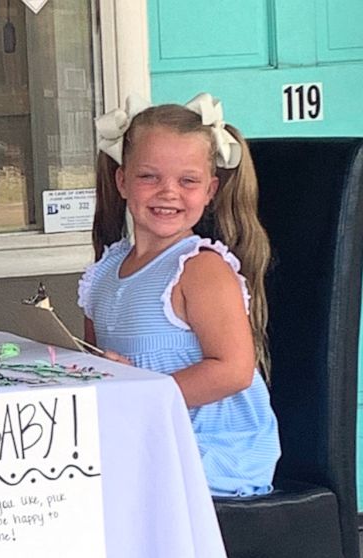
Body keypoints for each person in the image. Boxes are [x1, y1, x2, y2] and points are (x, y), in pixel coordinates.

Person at [78, 93, 280, 496]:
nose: (168, 192)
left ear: (210, 190)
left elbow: (233, 370)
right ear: (122, 181)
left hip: (212, 451)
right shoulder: (103, 273)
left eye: (187, 181)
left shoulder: (200, 269)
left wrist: (142, 392)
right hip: (144, 439)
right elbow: (102, 363)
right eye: (148, 176)